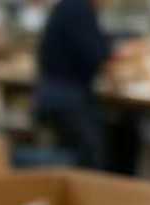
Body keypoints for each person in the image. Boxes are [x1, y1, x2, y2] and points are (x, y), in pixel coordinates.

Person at [35, 0, 113, 168]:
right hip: (65, 98)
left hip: (54, 94)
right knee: (91, 156)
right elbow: (97, 53)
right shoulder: (79, 9)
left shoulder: (69, 6)